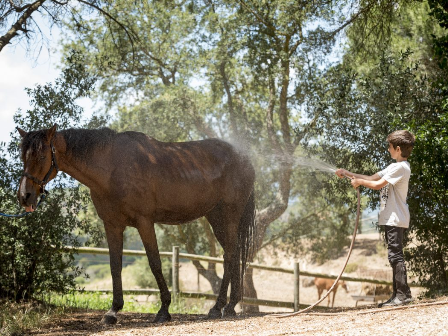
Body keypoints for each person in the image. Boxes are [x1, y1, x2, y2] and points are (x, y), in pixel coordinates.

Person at [335, 130, 415, 307]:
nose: (388, 150)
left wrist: (360, 183)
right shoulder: (394, 167)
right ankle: (398, 295)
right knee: (394, 255)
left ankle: (403, 295)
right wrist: (348, 173)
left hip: (395, 217)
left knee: (396, 256)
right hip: (391, 218)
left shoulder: (401, 167)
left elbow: (377, 185)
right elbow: (371, 178)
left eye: (390, 147)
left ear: (398, 148)